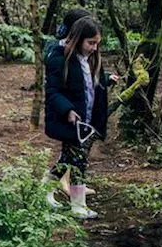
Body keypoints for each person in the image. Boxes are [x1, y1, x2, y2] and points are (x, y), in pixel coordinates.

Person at [43, 16, 111, 220]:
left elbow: (90, 84)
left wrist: (107, 80)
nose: (94, 48)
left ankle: (44, 188)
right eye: (91, 43)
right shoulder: (58, 58)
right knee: (78, 162)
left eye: (97, 44)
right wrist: (68, 110)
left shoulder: (90, 59)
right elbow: (53, 92)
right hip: (71, 121)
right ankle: (78, 206)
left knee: (68, 160)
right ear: (78, 38)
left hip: (87, 121)